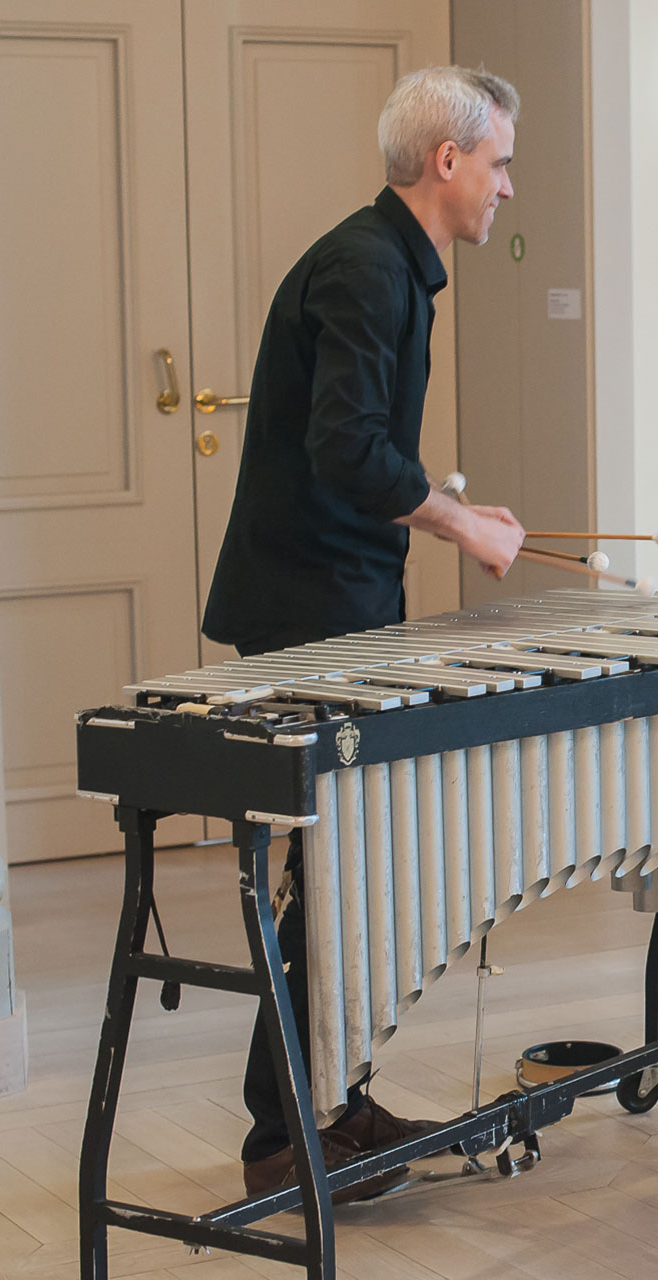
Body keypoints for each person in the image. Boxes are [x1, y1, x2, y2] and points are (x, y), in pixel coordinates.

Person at [201, 65, 529, 1199]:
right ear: (448, 162)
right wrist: (458, 524)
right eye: (499, 164)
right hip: (310, 612)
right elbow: (347, 451)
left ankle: (328, 1100)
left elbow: (351, 448)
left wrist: (448, 508)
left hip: (338, 600)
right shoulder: (366, 266)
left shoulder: (389, 265)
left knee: (350, 874)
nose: (506, 188)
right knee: (330, 877)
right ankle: (283, 1133)